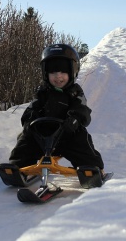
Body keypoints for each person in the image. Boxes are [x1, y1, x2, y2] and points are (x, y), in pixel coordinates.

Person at [9, 43, 105, 177]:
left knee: (82, 140)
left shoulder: (75, 92)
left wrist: (74, 119)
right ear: (45, 73)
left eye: (63, 72)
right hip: (41, 134)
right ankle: (16, 167)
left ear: (72, 72)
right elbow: (32, 107)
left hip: (67, 134)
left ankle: (92, 168)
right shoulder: (42, 92)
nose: (58, 76)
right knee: (25, 140)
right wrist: (29, 119)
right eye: (53, 72)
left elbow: (82, 109)